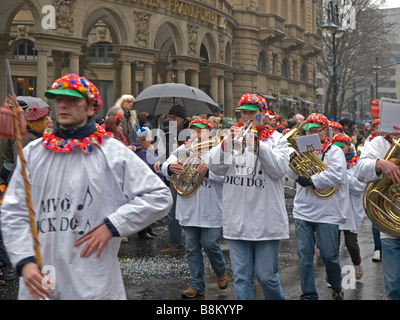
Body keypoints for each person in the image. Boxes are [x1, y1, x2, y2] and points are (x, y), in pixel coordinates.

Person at [0, 74, 172, 300]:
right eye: (58, 100)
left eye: (71, 101)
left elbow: (159, 196)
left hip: (93, 278)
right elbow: (14, 211)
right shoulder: (34, 153)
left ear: (91, 107)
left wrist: (112, 225)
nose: (62, 105)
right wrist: (24, 261)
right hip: (42, 276)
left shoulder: (112, 153)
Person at [208, 93, 289, 300]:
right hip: (238, 219)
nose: (247, 117)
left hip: (266, 220)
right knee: (242, 278)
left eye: (253, 113)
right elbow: (215, 168)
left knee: (266, 276)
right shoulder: (230, 137)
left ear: (263, 114)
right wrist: (227, 143)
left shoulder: (277, 139)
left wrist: (258, 145)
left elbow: (279, 170)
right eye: (244, 113)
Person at [162, 118, 228, 298]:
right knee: (191, 248)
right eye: (193, 131)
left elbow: (228, 176)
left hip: (210, 206)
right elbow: (164, 165)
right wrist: (169, 167)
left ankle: (221, 271)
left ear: (209, 132)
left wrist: (208, 172)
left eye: (201, 131)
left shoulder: (217, 151)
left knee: (211, 244)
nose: (197, 134)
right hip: (189, 207)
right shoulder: (183, 150)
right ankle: (196, 284)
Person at [288, 113, 349, 300]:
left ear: (325, 131)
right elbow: (292, 174)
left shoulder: (335, 152)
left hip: (327, 212)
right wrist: (291, 163)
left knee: (329, 256)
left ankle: (337, 285)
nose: (312, 133)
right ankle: (308, 295)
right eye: (309, 131)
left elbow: (339, 176)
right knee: (305, 257)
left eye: (316, 130)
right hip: (303, 211)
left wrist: (313, 180)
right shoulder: (302, 151)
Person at [356, 124, 400, 300]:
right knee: (393, 289)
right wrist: (380, 164)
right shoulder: (379, 143)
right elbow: (360, 171)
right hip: (391, 228)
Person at [332, 133, 365, 280]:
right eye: (336, 147)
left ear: (349, 146)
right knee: (333, 245)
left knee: (351, 243)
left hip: (351, 209)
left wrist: (343, 175)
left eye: (342, 147)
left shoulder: (357, 164)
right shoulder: (331, 160)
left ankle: (357, 264)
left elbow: (359, 187)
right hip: (334, 207)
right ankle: (332, 276)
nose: (339, 150)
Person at [160, 104, 190, 255]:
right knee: (172, 211)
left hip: (186, 177)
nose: (169, 119)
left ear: (181, 118)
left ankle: (181, 244)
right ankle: (177, 243)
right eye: (169, 117)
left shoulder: (190, 132)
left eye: (173, 117)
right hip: (173, 174)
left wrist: (179, 150)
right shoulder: (168, 130)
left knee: (178, 212)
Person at [134, 126, 162, 240]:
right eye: (150, 135)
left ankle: (149, 228)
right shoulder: (141, 151)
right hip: (145, 183)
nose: (151, 137)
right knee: (145, 207)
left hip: (151, 182)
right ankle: (142, 231)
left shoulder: (148, 148)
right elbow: (146, 167)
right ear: (144, 138)